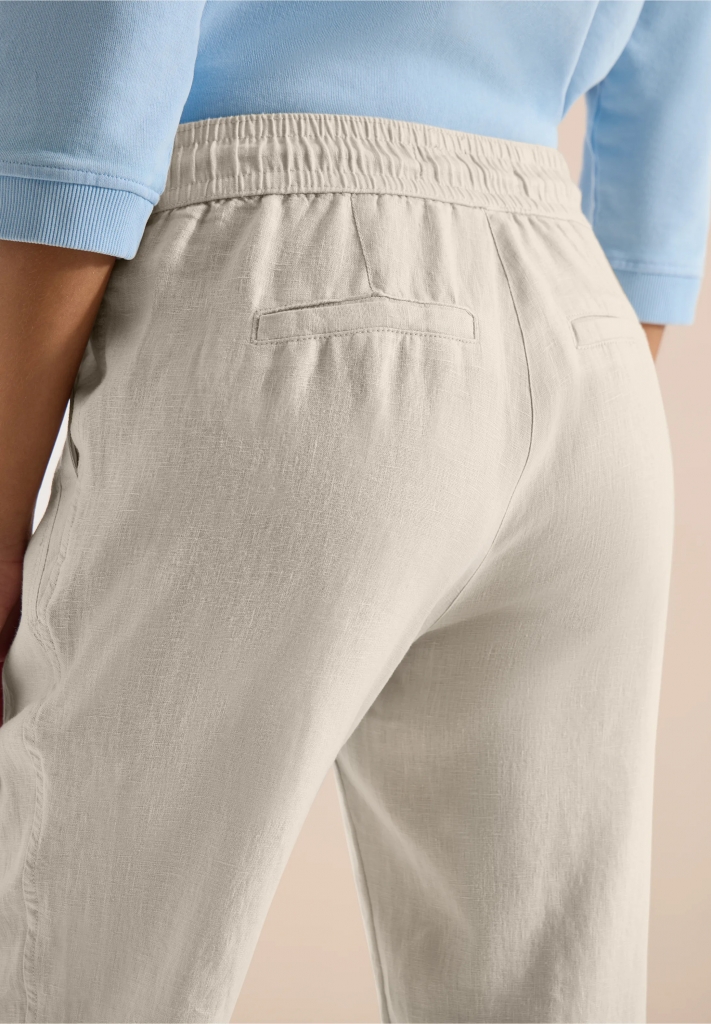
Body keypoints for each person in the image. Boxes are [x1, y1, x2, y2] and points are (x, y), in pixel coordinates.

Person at [0, 2, 709, 1022]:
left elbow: (96, 70)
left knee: (78, 970)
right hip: (582, 326)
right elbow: (676, 52)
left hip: (280, 253)